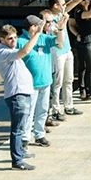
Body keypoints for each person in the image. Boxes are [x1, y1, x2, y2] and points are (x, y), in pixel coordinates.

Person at [0, 24, 42, 170]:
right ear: (2, 39)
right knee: (17, 129)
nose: (13, 40)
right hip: (16, 94)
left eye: (15, 37)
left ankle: (20, 153)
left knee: (22, 126)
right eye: (9, 38)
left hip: (23, 92)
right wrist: (37, 34)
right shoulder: (3, 52)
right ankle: (17, 161)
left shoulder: (9, 49)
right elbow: (26, 50)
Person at [16, 13, 64, 147]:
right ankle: (25, 137)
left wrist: (60, 29)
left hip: (46, 80)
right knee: (28, 112)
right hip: (29, 84)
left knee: (42, 110)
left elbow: (59, 42)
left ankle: (39, 134)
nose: (43, 27)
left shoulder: (44, 38)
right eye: (38, 25)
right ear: (32, 27)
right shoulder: (20, 41)